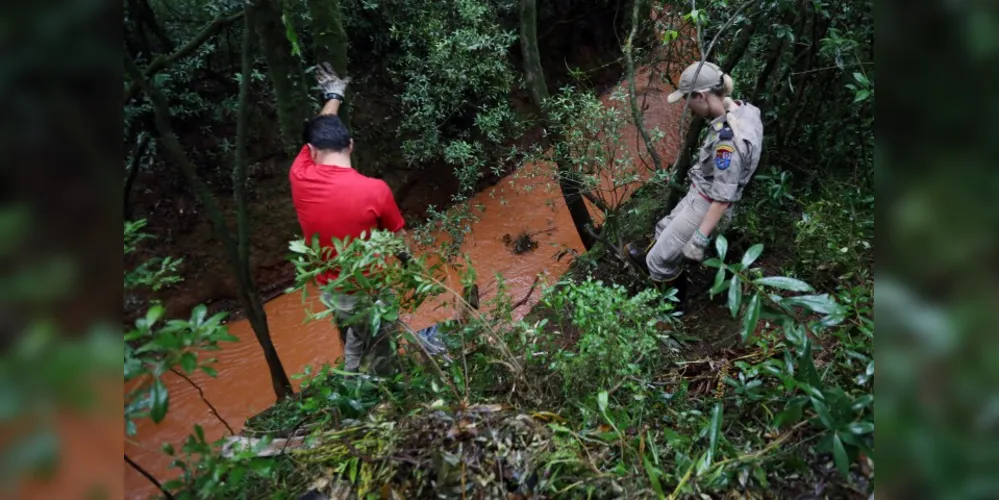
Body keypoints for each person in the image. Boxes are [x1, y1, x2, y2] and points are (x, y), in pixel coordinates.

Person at [289, 63, 407, 375]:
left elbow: (320, 126)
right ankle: (380, 386)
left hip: (333, 290)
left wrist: (334, 96)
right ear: (351, 145)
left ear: (312, 150)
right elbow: (398, 239)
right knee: (382, 343)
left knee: (356, 330)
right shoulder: (375, 190)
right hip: (368, 290)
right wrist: (408, 262)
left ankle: (352, 370)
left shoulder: (300, 174)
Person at [627, 61, 763, 288]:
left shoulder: (728, 144)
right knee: (662, 228)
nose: (687, 106)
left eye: (688, 99)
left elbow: (723, 197)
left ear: (701, 96)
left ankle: (671, 301)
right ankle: (652, 258)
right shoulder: (745, 109)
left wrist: (699, 239)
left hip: (708, 204)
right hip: (700, 192)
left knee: (659, 262)